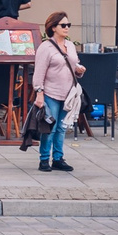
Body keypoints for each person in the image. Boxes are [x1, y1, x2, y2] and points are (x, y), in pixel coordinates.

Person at [29, 9, 86, 172]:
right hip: (51, 93)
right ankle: (44, 160)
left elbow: (73, 64)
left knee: (62, 127)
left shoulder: (70, 45)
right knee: (50, 127)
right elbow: (39, 72)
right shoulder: (45, 47)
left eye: (68, 25)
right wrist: (39, 93)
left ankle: (59, 158)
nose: (67, 27)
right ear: (53, 27)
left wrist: (78, 70)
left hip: (68, 94)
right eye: (63, 25)